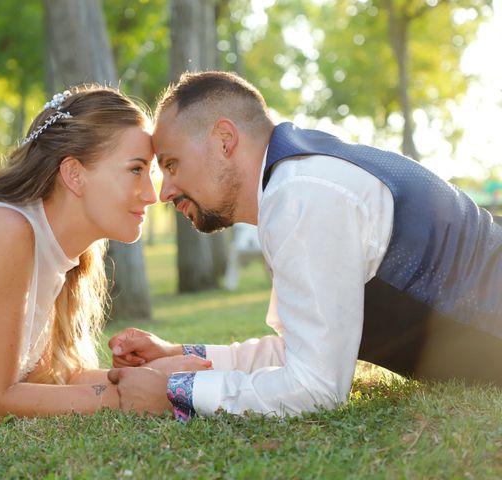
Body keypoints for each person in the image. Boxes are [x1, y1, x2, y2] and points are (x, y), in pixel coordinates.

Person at [107, 71, 502, 420]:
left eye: (172, 164)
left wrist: (176, 394)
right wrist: (180, 353)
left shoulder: (301, 196)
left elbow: (316, 389)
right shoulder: (293, 182)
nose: (165, 191)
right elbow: (300, 349)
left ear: (224, 140)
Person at [0, 85, 211, 424]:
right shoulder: (2, 230)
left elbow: (45, 380)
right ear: (74, 174)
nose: (152, 194)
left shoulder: (60, 251)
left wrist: (154, 377)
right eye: (136, 169)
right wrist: (124, 398)